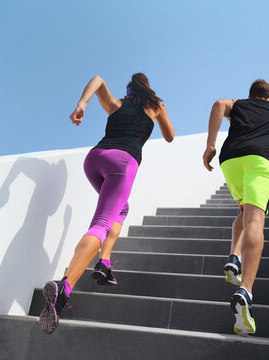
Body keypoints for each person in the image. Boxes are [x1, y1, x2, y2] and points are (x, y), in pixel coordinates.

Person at [39, 73, 174, 334]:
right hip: (123, 162)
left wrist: (82, 104)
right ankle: (65, 288)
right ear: (148, 91)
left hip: (95, 159)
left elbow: (99, 79)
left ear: (128, 90)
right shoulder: (155, 107)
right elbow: (169, 136)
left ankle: (105, 262)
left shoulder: (116, 104)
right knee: (101, 223)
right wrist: (162, 112)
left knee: (120, 209)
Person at [202, 79, 269, 335]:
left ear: (251, 96)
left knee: (244, 211)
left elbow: (217, 104)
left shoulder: (238, 105)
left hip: (232, 159)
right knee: (255, 221)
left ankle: (234, 257)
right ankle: (245, 290)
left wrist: (210, 145)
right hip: (261, 160)